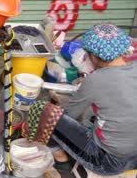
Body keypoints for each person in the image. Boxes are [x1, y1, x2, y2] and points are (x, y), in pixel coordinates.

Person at [48, 24, 137, 175]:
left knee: (46, 113)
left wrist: (85, 89)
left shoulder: (96, 79)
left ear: (94, 56)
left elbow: (70, 115)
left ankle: (61, 162)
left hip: (107, 163)